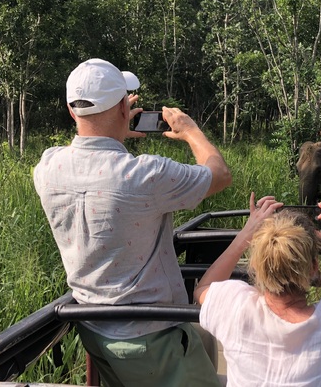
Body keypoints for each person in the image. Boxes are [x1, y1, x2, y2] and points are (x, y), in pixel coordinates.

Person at [33, 58, 231, 387]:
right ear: (126, 108)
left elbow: (85, 155)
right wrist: (190, 131)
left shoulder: (47, 168)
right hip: (154, 338)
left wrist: (112, 129)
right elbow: (219, 174)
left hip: (94, 330)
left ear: (72, 111)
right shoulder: (144, 175)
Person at [195, 194, 321, 387]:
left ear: (254, 265)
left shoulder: (236, 304)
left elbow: (202, 288)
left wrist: (245, 235)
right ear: (314, 267)